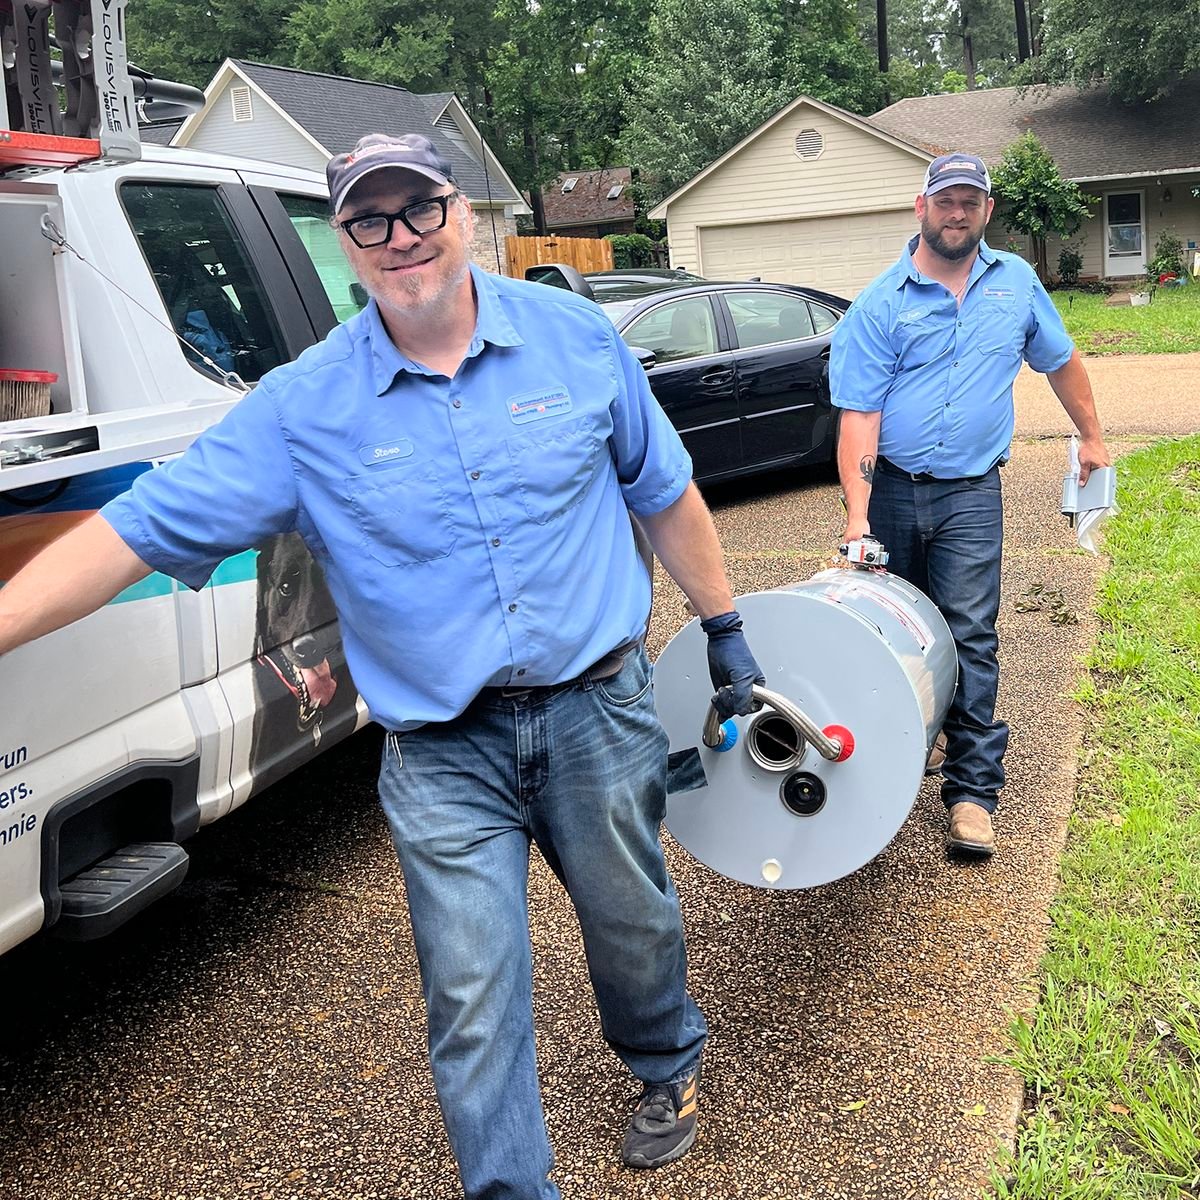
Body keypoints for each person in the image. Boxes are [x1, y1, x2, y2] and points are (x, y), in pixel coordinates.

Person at [0, 134, 766, 1198]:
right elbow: (131, 531)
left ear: (463, 212)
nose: (400, 236)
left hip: (598, 712)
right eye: (371, 219)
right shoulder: (302, 408)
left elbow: (662, 490)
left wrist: (724, 625)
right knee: (471, 993)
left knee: (632, 926)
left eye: (420, 208)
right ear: (346, 243)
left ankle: (665, 1063)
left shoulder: (575, 341)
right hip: (443, 750)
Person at [829, 151, 1109, 858]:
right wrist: (858, 517)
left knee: (970, 633)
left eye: (971, 202)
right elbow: (859, 415)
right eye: (946, 200)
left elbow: (1060, 359)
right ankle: (891, 761)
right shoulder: (880, 304)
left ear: (986, 211)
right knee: (887, 635)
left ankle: (972, 792)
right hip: (891, 490)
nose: (958, 213)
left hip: (972, 493)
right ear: (920, 208)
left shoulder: (1014, 284)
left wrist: (1091, 435)